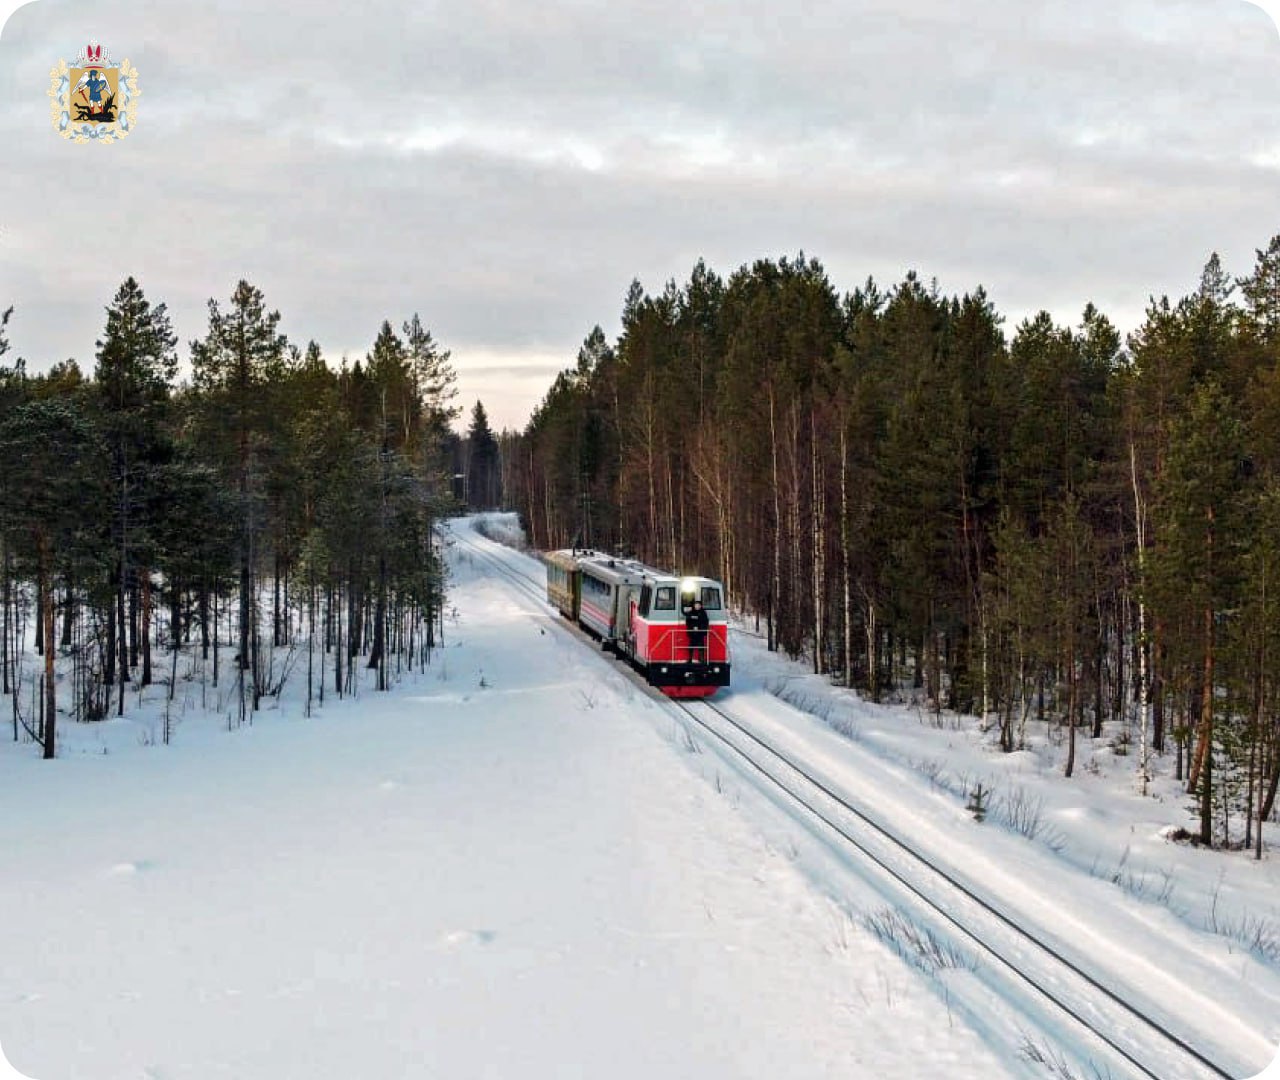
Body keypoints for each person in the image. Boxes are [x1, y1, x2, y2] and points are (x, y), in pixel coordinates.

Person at [685, 598, 710, 664]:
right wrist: (692, 628)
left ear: (701, 606)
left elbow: (706, 622)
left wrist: (700, 628)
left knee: (701, 646)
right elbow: (688, 621)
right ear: (694, 606)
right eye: (696, 605)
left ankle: (701, 659)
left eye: (698, 605)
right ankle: (690, 659)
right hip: (692, 633)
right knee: (691, 645)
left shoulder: (703, 613)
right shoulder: (691, 612)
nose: (697, 606)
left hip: (700, 633)